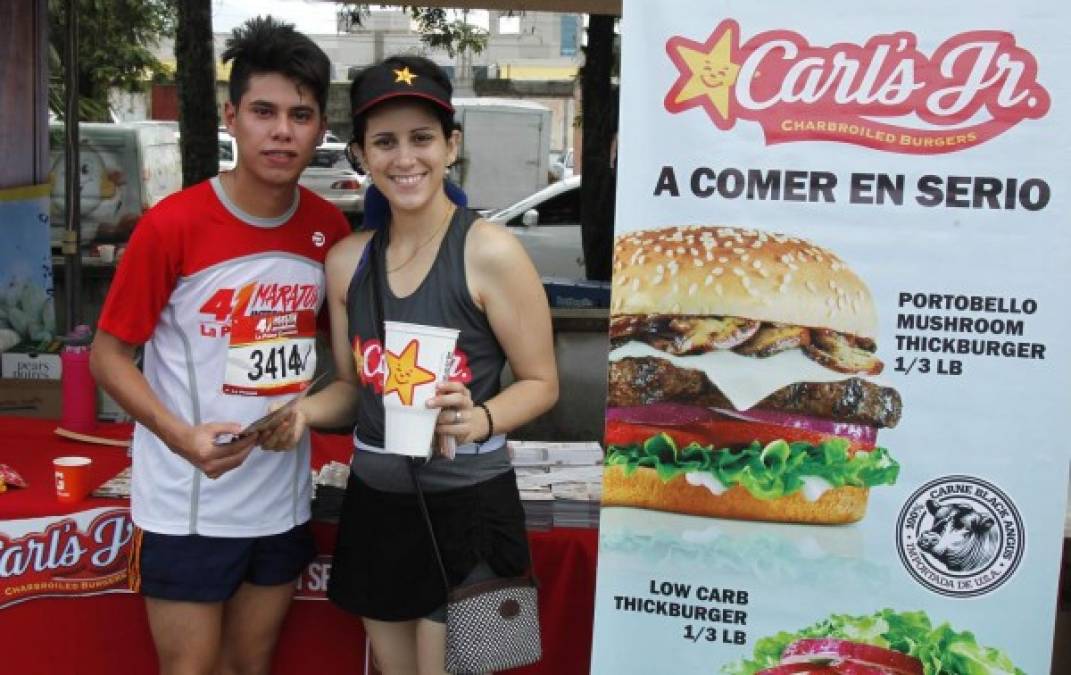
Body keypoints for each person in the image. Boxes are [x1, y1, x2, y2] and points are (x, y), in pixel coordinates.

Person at [259, 54, 560, 674]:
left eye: (422, 138)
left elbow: (542, 382)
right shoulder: (347, 261)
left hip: (470, 506)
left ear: (451, 147)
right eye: (385, 142)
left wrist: (478, 418)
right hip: (377, 504)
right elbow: (350, 387)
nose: (405, 159)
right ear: (362, 156)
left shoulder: (491, 251)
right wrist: (302, 412)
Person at [89, 17, 350, 675]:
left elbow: (334, 363)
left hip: (281, 497)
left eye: (300, 114)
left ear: (321, 127)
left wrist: (305, 411)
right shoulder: (172, 224)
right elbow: (108, 354)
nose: (282, 130)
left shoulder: (327, 229)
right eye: (263, 111)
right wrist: (180, 436)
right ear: (231, 117)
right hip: (187, 501)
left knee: (250, 663)